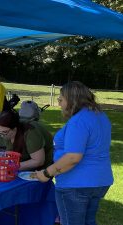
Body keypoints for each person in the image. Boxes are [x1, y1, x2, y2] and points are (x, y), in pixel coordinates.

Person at [35, 81, 113, 225]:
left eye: (61, 99)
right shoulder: (100, 116)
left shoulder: (78, 121)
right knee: (88, 221)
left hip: (76, 184)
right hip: (99, 181)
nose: (59, 104)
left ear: (72, 100)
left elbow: (73, 157)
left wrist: (46, 174)